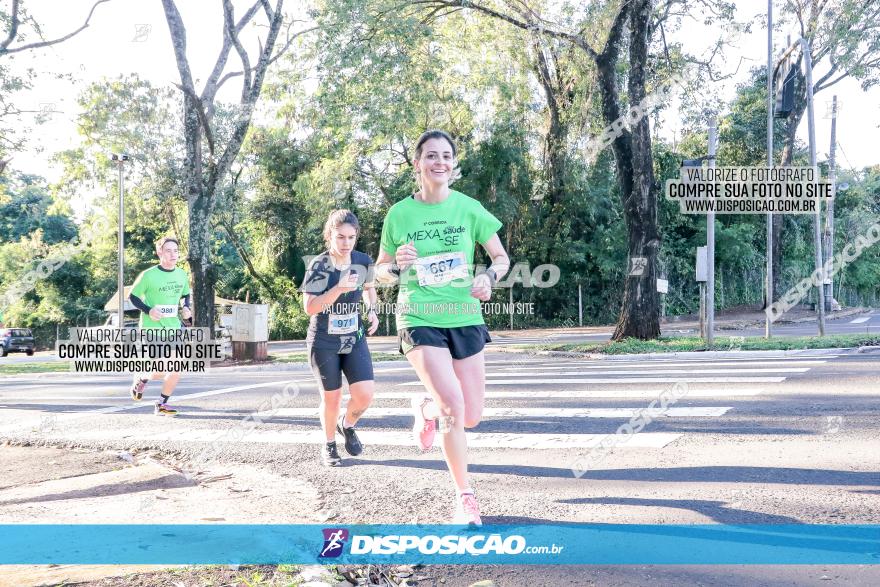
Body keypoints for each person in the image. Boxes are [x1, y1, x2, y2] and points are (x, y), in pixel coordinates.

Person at [375, 130, 510, 525]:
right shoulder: (399, 214)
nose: (439, 162)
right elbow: (381, 271)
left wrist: (488, 278)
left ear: (453, 164)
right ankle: (464, 496)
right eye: (431, 156)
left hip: (464, 314)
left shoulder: (469, 208)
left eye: (446, 156)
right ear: (417, 164)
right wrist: (394, 264)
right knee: (455, 408)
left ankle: (424, 406)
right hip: (419, 315)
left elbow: (500, 257)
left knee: (471, 416)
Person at [302, 209, 379, 467]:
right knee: (332, 397)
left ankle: (347, 425)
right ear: (330, 236)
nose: (346, 243)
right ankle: (329, 445)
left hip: (353, 337)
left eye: (351, 237)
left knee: (365, 395)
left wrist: (373, 310)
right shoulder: (320, 266)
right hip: (324, 341)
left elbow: (370, 289)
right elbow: (310, 307)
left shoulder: (362, 260)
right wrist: (339, 288)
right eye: (340, 237)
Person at [127, 236, 192, 416]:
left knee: (176, 368)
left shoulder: (181, 274)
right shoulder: (148, 275)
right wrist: (149, 310)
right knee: (159, 369)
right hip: (152, 329)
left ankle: (161, 404)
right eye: (168, 250)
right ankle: (141, 377)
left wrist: (186, 307)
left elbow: (186, 294)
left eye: (176, 251)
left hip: (174, 328)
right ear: (160, 253)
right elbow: (132, 297)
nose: (173, 254)